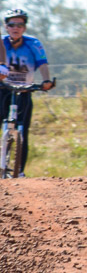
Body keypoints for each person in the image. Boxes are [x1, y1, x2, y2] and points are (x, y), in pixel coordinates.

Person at [1, 9, 54, 177]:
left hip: (24, 90)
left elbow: (42, 63)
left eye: (20, 25)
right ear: (6, 27)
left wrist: (46, 81)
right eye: (12, 25)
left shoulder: (33, 43)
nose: (16, 28)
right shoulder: (1, 43)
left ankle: (20, 171)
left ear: (24, 27)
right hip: (3, 90)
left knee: (22, 131)